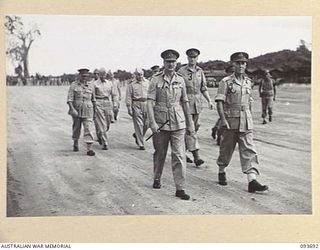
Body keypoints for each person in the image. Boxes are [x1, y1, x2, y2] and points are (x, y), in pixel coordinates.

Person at [215, 52, 268, 193]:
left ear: (246, 65)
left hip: (246, 121)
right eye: (238, 63)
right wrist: (223, 120)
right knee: (226, 149)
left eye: (243, 63)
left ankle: (252, 180)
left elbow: (249, 103)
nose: (241, 65)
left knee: (249, 150)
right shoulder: (225, 82)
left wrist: (250, 118)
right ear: (233, 64)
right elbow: (220, 103)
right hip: (230, 121)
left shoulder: (248, 82)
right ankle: (221, 170)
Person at [147, 49, 195, 200]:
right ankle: (157, 178)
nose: (171, 64)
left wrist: (190, 122)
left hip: (178, 122)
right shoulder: (155, 80)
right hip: (161, 123)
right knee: (160, 153)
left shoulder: (180, 80)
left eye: (173, 62)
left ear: (176, 63)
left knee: (179, 155)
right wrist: (152, 123)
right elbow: (149, 102)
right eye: (168, 62)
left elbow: (185, 102)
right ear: (163, 63)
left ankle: (180, 188)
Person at [178, 48, 214, 166]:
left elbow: (203, 88)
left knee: (194, 127)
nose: (192, 59)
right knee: (190, 128)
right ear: (187, 58)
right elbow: (177, 88)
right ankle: (196, 156)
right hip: (185, 103)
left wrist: (209, 101)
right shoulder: (181, 71)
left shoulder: (200, 71)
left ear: (197, 58)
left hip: (197, 104)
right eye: (190, 57)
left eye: (195, 57)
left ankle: (182, 151)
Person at [67, 68, 96, 156]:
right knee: (76, 128)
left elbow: (93, 100)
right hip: (77, 109)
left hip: (88, 109)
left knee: (88, 128)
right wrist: (72, 109)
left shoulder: (91, 86)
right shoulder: (74, 85)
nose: (84, 78)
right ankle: (75, 142)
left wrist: (94, 112)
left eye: (86, 76)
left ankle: (89, 148)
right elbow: (70, 99)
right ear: (79, 76)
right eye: (83, 76)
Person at [93, 68, 118, 150]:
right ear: (99, 75)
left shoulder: (110, 83)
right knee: (101, 123)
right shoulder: (94, 84)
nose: (103, 76)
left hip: (107, 102)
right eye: (101, 74)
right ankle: (105, 142)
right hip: (98, 102)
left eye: (105, 74)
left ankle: (100, 135)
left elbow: (114, 94)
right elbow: (92, 96)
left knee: (107, 123)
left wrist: (115, 104)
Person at [125, 68, 150, 150]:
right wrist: (129, 107)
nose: (140, 76)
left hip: (146, 103)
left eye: (141, 74)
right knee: (139, 124)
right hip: (136, 104)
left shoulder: (147, 83)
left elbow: (151, 94)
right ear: (135, 75)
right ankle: (141, 144)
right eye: (138, 74)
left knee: (147, 123)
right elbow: (128, 96)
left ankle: (137, 135)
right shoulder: (131, 84)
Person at [211, 64, 235, 145]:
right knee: (223, 120)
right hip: (225, 104)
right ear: (227, 72)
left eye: (233, 72)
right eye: (231, 72)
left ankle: (215, 128)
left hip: (233, 105)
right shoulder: (225, 82)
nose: (232, 73)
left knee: (221, 120)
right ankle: (219, 137)